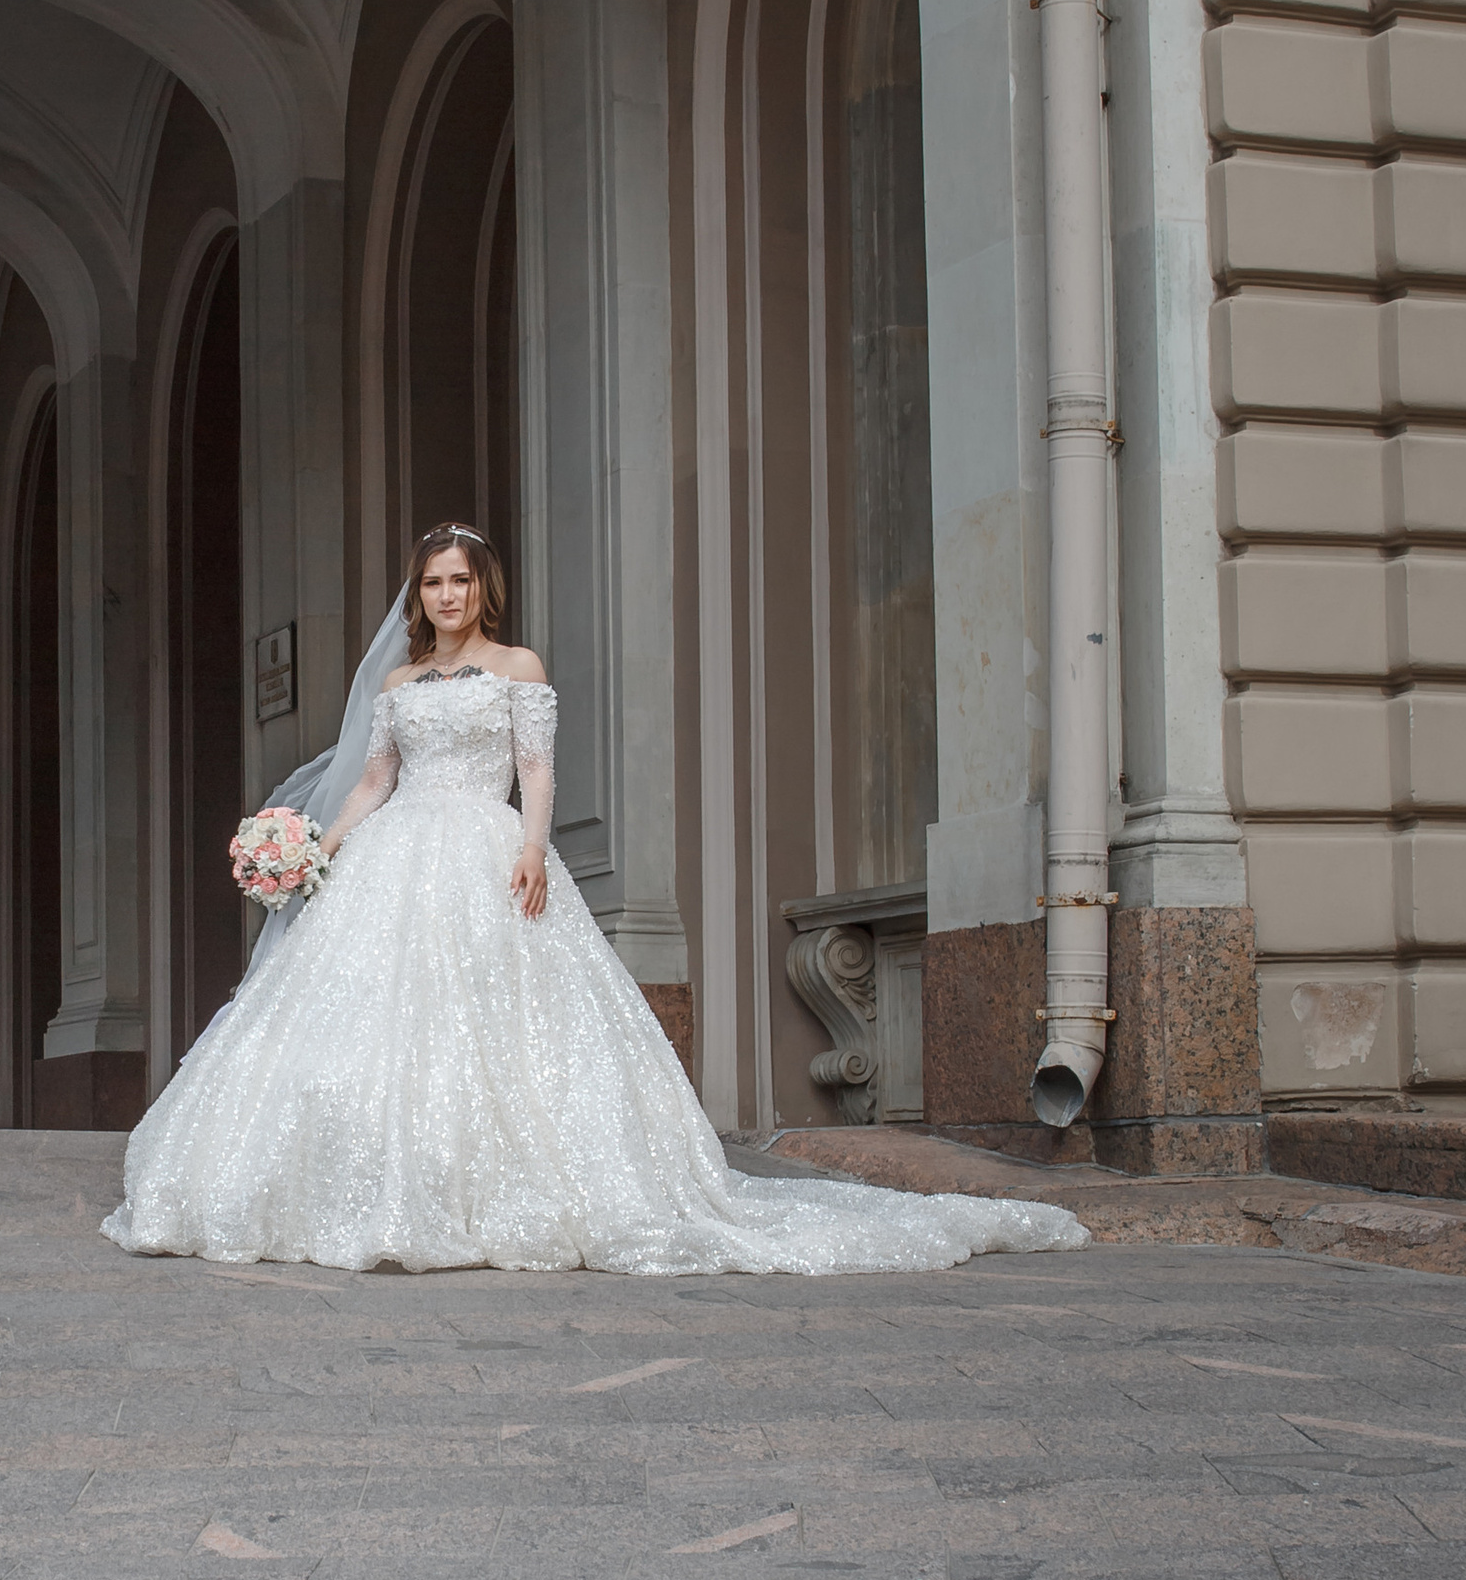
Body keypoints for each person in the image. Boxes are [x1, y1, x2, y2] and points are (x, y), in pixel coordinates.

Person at [105, 524, 1086, 1277]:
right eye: (432, 581)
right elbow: (369, 783)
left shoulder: (517, 669)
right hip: (396, 848)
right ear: (420, 594)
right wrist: (313, 851)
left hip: (488, 846)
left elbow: (535, 768)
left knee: (503, 1020)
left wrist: (532, 849)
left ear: (483, 588)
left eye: (460, 580)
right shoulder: (399, 682)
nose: (446, 594)